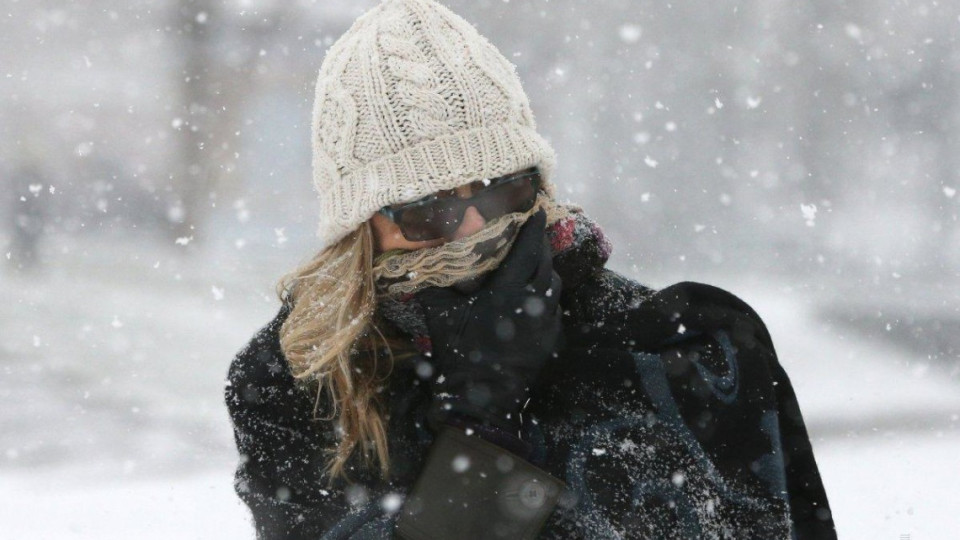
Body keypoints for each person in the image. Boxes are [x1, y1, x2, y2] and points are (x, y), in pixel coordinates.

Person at [224, 0, 836, 538]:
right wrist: (482, 420)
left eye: (499, 191)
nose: (472, 229)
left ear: (538, 185)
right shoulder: (296, 381)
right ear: (360, 230)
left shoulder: (683, 346)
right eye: (427, 212)